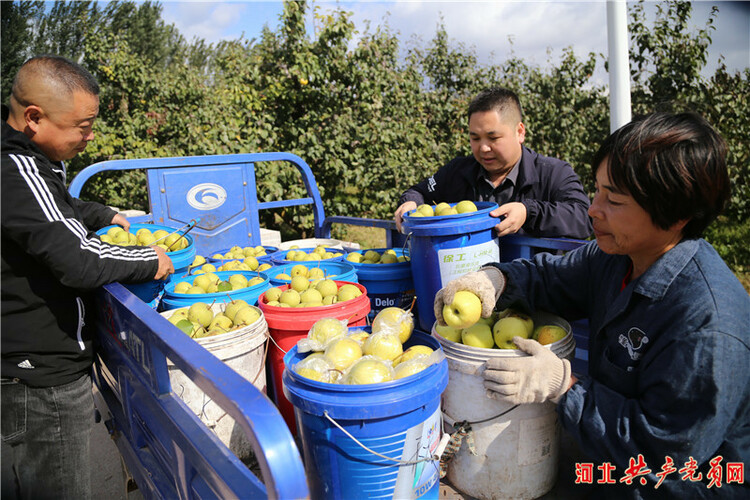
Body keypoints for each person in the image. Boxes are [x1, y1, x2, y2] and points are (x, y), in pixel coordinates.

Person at [434, 112, 750, 498]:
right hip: (607, 466)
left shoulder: (707, 329)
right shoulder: (617, 255)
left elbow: (662, 451)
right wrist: (495, 280)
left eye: (613, 200)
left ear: (676, 215)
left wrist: (564, 386)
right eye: (597, 190)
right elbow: (553, 276)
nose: (593, 209)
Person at [1, 55, 174, 499]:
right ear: (35, 119)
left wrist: (105, 214)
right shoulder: (14, 169)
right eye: (83, 125)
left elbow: (54, 210)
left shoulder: (28, 161)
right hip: (38, 383)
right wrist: (148, 260)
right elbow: (77, 257)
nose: (90, 135)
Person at [394, 87, 592, 239]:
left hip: (533, 288)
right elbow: (419, 191)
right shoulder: (458, 171)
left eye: (493, 138)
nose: (483, 148)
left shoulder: (553, 173)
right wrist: (411, 203)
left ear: (520, 132)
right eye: (475, 138)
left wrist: (529, 212)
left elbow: (584, 217)